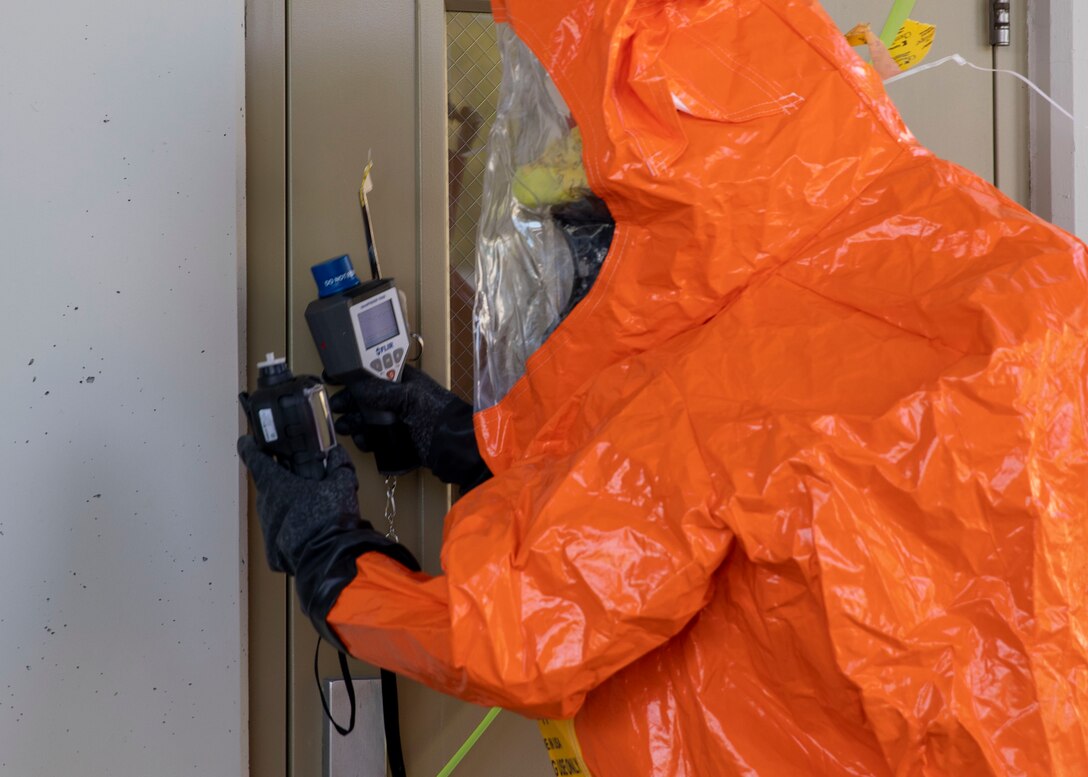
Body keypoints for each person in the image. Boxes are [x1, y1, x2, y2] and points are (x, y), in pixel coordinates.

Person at [240, 1, 1088, 774]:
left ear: (668, 166)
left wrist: (332, 563)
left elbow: (519, 634)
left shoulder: (738, 378)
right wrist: (475, 441)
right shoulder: (1024, 264)